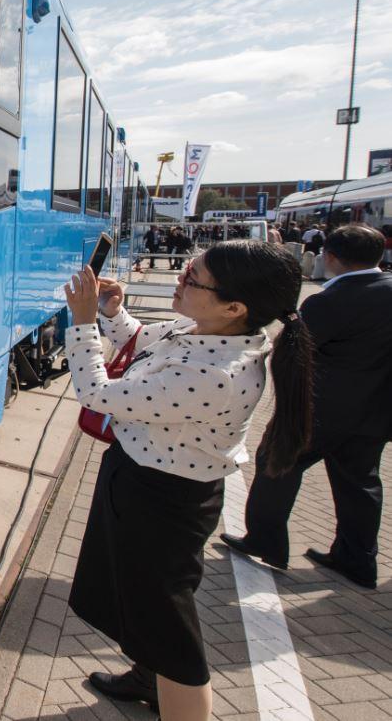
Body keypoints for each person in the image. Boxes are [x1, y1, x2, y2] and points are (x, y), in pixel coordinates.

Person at [62, 240, 312, 720]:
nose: (180, 279)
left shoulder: (219, 373)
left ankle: (174, 693)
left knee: (170, 632)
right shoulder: (206, 332)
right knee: (142, 606)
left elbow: (97, 393)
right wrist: (114, 313)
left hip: (161, 503)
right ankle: (147, 676)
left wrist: (84, 322)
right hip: (144, 482)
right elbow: (143, 340)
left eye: (192, 278)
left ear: (234, 306)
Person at [222, 224, 392, 588]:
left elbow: (293, 352)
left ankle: (266, 540)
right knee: (360, 484)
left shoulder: (329, 301)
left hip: (318, 411)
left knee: (277, 463)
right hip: (375, 413)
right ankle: (358, 559)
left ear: (329, 257)